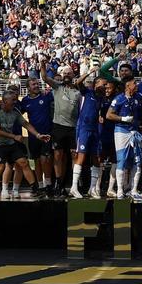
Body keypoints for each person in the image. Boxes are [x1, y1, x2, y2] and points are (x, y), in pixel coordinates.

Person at [0, 91, 47, 201]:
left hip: (9, 143)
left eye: (16, 100)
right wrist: (14, 136)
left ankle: (35, 189)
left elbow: (26, 124)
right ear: (4, 101)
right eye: (13, 100)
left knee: (24, 162)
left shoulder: (15, 111)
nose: (15, 102)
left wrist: (38, 135)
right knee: (0, 168)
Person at [41, 63, 82, 196]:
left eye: (69, 73)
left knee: (73, 156)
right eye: (64, 73)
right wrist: (42, 65)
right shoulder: (57, 87)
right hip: (58, 127)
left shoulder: (78, 91)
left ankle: (73, 184)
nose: (66, 75)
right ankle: (59, 183)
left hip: (73, 128)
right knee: (58, 156)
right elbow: (44, 77)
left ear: (73, 75)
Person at [105, 77, 142, 200]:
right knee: (121, 160)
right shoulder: (119, 99)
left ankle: (133, 190)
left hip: (134, 132)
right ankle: (120, 191)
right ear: (128, 86)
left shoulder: (138, 97)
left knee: (138, 161)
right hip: (121, 131)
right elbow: (109, 115)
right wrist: (123, 119)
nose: (136, 84)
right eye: (134, 83)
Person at [18, 79, 55, 191]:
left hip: (47, 134)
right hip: (33, 136)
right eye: (33, 84)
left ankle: (48, 184)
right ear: (28, 88)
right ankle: (40, 185)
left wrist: (49, 90)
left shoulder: (46, 96)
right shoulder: (25, 101)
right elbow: (17, 113)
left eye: (38, 84)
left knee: (45, 159)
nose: (36, 86)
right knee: (37, 160)